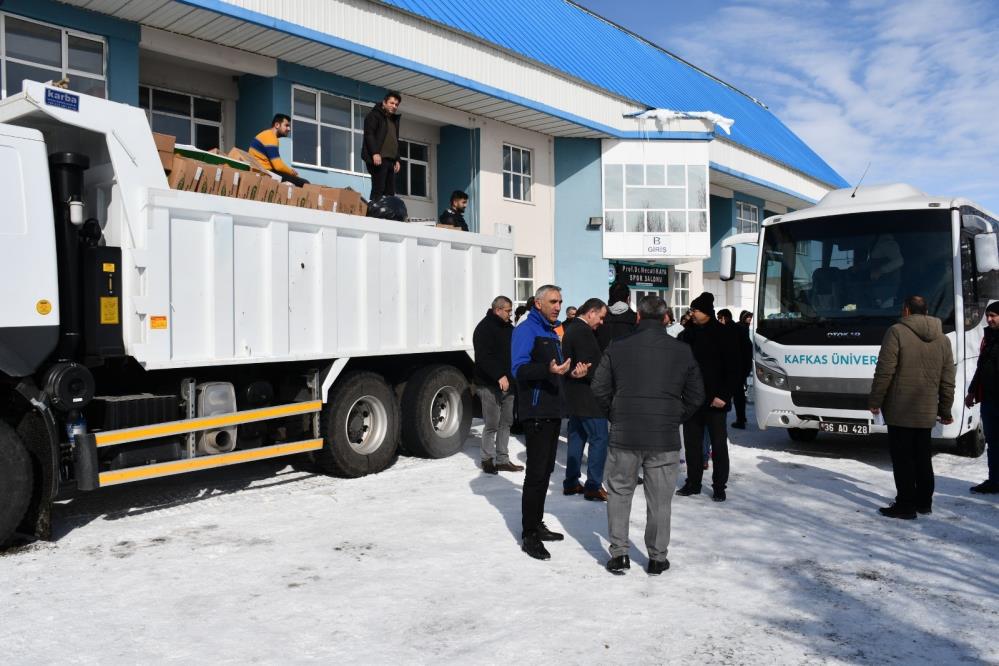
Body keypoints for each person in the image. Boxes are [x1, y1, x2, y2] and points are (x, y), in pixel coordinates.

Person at [592, 295, 705, 575]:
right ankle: (657, 557)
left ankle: (619, 553)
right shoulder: (681, 350)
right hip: (663, 438)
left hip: (625, 434)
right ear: (666, 317)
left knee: (619, 492)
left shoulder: (617, 347)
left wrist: (615, 413)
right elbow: (696, 395)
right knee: (660, 500)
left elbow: (598, 387)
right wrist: (674, 416)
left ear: (638, 317)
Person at [511, 285, 589, 560]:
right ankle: (529, 534)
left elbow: (556, 371)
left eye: (560, 302)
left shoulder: (552, 331)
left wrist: (571, 374)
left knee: (545, 473)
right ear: (538, 303)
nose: (558, 306)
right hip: (536, 411)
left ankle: (537, 523)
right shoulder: (527, 328)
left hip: (553, 410)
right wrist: (547, 369)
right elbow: (518, 368)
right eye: (553, 301)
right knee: (535, 474)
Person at [869, 296, 955, 519]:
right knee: (922, 457)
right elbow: (948, 379)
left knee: (903, 459)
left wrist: (875, 401)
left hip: (900, 408)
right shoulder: (943, 339)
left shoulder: (896, 331)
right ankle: (924, 503)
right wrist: (945, 410)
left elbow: (884, 370)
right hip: (926, 409)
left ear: (906, 310)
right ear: (926, 311)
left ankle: (905, 505)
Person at [677, 292, 743, 502]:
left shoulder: (725, 334)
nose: (692, 314)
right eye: (692, 310)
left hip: (716, 400)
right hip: (691, 400)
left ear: (706, 312)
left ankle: (719, 486)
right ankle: (693, 482)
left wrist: (723, 395)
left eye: (695, 310)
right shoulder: (688, 335)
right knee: (692, 445)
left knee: (718, 445)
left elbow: (735, 369)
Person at [561, 298, 609, 501]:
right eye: (601, 317)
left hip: (574, 397)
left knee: (577, 437)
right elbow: (591, 368)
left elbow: (573, 366)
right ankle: (593, 486)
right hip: (589, 398)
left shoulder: (572, 328)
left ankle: (571, 482)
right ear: (591, 312)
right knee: (599, 439)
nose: (602, 322)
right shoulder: (582, 332)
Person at [472, 296, 523, 475]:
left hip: (509, 384)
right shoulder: (483, 329)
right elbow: (484, 358)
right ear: (498, 310)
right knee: (492, 423)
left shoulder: (509, 328)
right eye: (508, 311)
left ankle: (502, 459)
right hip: (489, 385)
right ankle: (487, 459)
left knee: (506, 422)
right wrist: (499, 376)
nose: (510, 314)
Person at [966, 301, 999, 494]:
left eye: (993, 315)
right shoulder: (988, 337)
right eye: (988, 315)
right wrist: (972, 391)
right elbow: (981, 367)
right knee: (993, 443)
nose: (989, 319)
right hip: (989, 400)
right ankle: (995, 481)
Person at [362, 91, 402, 202]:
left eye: (396, 104)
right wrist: (375, 153)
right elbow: (369, 135)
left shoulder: (393, 120)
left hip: (391, 160)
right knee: (378, 188)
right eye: (392, 103)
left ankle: (387, 214)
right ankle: (374, 212)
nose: (394, 106)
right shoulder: (374, 115)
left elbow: (394, 141)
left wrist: (397, 159)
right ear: (384, 102)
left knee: (390, 192)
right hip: (379, 159)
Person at [249, 114, 309, 187]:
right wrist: (292, 172)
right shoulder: (270, 137)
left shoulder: (268, 135)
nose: (289, 129)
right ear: (277, 125)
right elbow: (278, 166)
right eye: (286, 125)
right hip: (265, 172)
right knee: (305, 183)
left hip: (264, 170)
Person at [597, 281, 637, 350]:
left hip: (603, 359)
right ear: (628, 298)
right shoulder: (635, 319)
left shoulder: (598, 319)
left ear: (610, 296)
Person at [731, 310, 754, 429]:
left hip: (742, 367)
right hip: (740, 367)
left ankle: (741, 418)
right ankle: (741, 418)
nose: (750, 319)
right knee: (738, 394)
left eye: (750, 317)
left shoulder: (743, 328)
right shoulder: (741, 329)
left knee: (738, 394)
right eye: (748, 317)